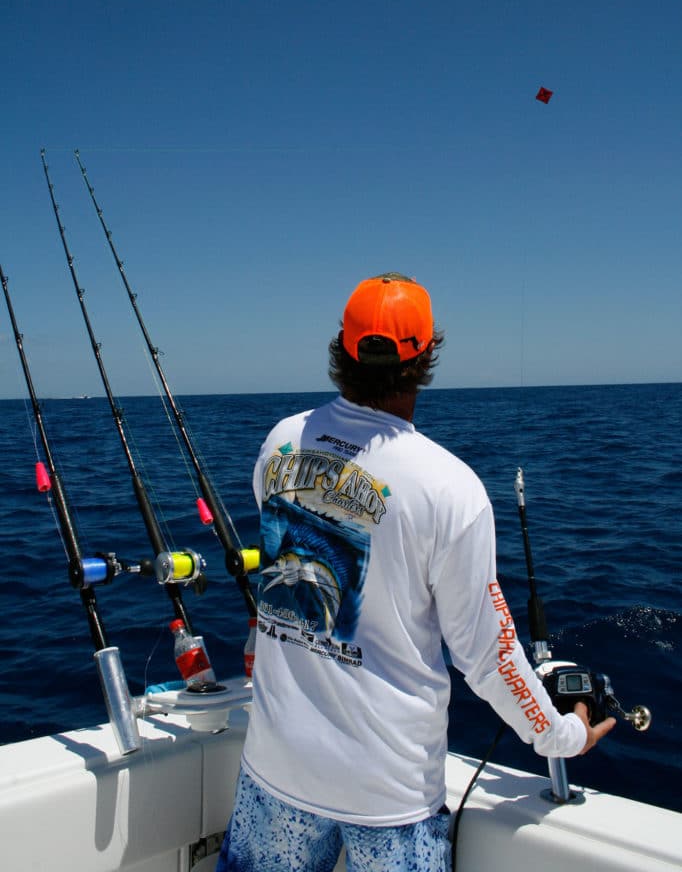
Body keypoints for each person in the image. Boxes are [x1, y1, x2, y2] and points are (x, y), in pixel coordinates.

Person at [216, 272, 615, 872]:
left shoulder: (279, 443)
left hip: (274, 769)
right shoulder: (451, 489)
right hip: (391, 801)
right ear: (424, 357)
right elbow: (489, 656)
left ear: (341, 348)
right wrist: (561, 735)